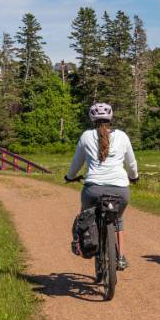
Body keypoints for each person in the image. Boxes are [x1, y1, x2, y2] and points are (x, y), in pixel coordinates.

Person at [65, 102, 139, 270]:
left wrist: (69, 177)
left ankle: (82, 244)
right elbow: (132, 163)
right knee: (117, 219)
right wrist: (134, 177)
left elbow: (76, 163)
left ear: (92, 118)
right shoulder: (122, 136)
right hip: (121, 190)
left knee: (86, 216)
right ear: (110, 117)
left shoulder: (86, 136)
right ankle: (120, 258)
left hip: (93, 189)